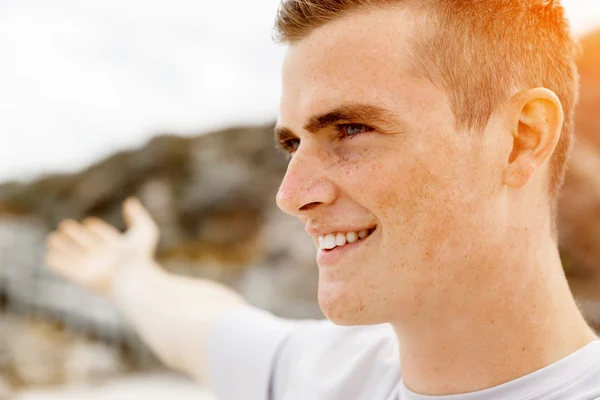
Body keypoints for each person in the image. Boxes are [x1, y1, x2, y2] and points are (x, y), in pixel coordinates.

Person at [44, 0, 600, 399]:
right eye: (292, 143)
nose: (291, 197)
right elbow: (197, 322)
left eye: (351, 129)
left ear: (521, 138)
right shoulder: (334, 375)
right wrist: (124, 274)